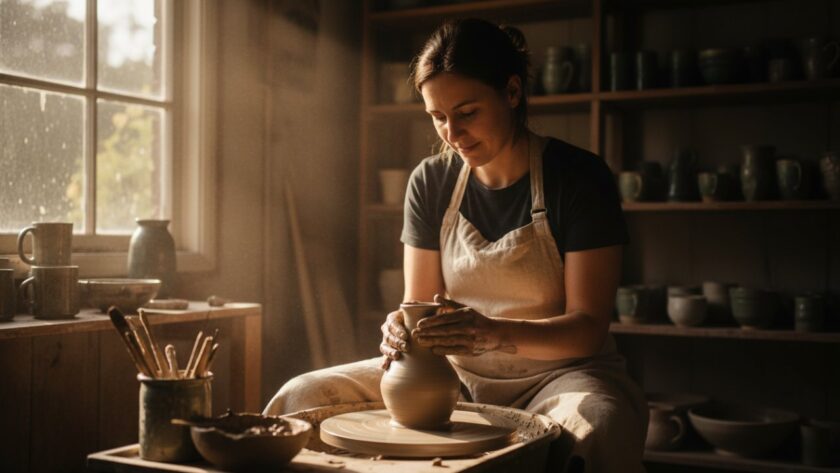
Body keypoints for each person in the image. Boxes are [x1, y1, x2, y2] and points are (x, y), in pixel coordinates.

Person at [264, 18, 648, 472]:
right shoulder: (431, 181)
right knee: (301, 394)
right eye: (437, 116)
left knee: (598, 427)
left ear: (511, 92)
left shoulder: (578, 177)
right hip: (453, 375)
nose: (452, 133)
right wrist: (400, 328)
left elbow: (587, 327)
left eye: (467, 113)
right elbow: (420, 302)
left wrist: (494, 333)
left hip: (561, 377)